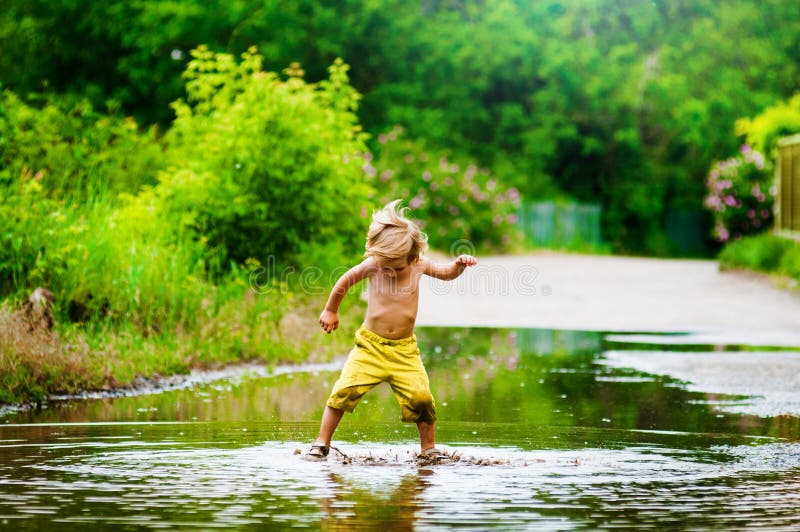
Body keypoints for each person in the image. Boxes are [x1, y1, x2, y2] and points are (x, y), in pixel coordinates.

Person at [305, 199, 477, 463]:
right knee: (343, 391)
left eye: (396, 267)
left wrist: (458, 266)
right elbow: (344, 282)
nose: (390, 271)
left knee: (421, 397)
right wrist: (331, 310)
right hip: (370, 347)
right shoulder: (374, 264)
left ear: (412, 256)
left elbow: (445, 273)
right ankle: (321, 442)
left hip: (405, 350)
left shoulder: (419, 265)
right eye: (386, 265)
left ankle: (428, 448)